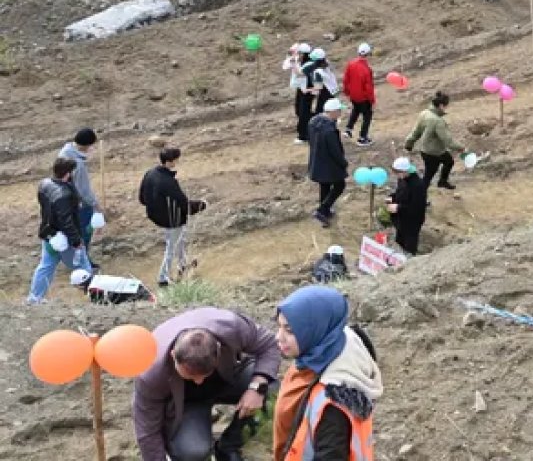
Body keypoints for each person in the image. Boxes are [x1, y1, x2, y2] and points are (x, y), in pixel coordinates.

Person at [133, 307, 281, 461]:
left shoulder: (231, 327)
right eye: (190, 376)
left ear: (218, 351)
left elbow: (270, 345)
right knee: (192, 453)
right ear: (173, 356)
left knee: (271, 392)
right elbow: (147, 432)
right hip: (186, 402)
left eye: (204, 374)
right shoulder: (151, 370)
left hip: (228, 379)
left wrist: (256, 387)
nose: (199, 381)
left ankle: (228, 447)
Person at [274, 286, 382, 461]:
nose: (278, 337)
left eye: (290, 330)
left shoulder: (332, 403)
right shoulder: (321, 350)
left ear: (315, 330)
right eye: (279, 326)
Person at [27, 158, 93, 304]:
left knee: (46, 267)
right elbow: (66, 221)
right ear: (68, 173)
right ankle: (93, 298)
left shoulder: (44, 184)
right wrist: (76, 241)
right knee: (83, 266)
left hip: (49, 234)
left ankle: (34, 299)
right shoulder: (64, 194)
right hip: (66, 239)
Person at [138, 147, 208, 287]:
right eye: (176, 159)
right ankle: (162, 278)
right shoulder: (168, 182)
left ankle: (182, 264)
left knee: (179, 239)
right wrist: (202, 204)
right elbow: (184, 204)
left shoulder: (150, 173)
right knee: (171, 246)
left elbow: (142, 198)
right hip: (171, 219)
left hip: (156, 215)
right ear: (170, 162)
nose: (177, 161)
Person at [404, 92, 465, 191]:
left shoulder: (424, 113)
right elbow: (448, 141)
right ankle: (420, 196)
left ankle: (442, 181)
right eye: (445, 106)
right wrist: (461, 148)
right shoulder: (438, 121)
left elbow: (416, 131)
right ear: (441, 106)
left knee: (449, 161)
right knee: (428, 176)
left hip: (427, 149)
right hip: (433, 153)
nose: (446, 108)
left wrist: (409, 143)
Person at [56, 127, 100, 260]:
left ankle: (69, 256)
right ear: (87, 145)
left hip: (62, 200)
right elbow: (84, 190)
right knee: (83, 233)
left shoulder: (64, 152)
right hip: (79, 204)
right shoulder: (78, 165)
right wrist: (96, 205)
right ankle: (82, 261)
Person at [308, 99, 349, 228]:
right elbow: (335, 150)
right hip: (329, 165)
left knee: (324, 186)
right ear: (333, 112)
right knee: (340, 185)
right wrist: (343, 163)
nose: (340, 113)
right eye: (339, 111)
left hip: (316, 161)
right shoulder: (329, 130)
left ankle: (325, 212)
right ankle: (322, 210)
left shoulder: (313, 122)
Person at [388, 157, 428, 255]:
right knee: (399, 241)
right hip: (401, 219)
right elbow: (399, 193)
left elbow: (416, 207)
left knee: (409, 246)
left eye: (398, 173)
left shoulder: (417, 185)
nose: (397, 176)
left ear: (405, 171)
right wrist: (392, 198)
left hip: (412, 222)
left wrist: (398, 208)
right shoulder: (402, 179)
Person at [342, 42, 376, 146]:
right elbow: (368, 87)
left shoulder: (351, 64)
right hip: (363, 97)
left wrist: (347, 92)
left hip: (353, 95)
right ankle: (362, 137)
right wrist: (372, 100)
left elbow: (345, 79)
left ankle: (348, 129)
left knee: (355, 110)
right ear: (368, 54)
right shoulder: (367, 69)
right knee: (367, 116)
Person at [70, 268, 156, 304]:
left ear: (80, 284)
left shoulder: (94, 289)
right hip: (139, 287)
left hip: (142, 297)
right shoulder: (97, 279)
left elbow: (102, 308)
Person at [286, 43, 314, 144]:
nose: (299, 55)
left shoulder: (309, 64)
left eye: (300, 53)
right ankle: (315, 121)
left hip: (308, 89)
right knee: (299, 109)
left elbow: (300, 73)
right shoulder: (302, 61)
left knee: (303, 112)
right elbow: (286, 65)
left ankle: (303, 135)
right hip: (301, 88)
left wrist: (293, 62)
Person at [305, 48, 339, 118]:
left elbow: (317, 89)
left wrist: (308, 90)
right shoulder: (327, 64)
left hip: (325, 95)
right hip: (333, 92)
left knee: (320, 115)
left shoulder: (318, 72)